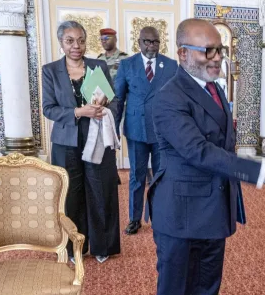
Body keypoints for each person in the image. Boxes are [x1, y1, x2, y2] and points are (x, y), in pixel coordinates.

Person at [148, 18, 265, 295]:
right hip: (179, 213)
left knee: (204, 293)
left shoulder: (215, 90)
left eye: (220, 50)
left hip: (212, 209)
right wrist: (257, 170)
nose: (217, 58)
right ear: (183, 54)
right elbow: (199, 151)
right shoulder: (166, 97)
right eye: (208, 51)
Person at [42, 20, 121, 264]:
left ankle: (102, 245)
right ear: (61, 43)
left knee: (100, 189)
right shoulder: (50, 70)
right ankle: (74, 246)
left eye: (81, 40)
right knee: (71, 195)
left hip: (98, 137)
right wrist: (79, 112)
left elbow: (114, 100)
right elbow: (48, 109)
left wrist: (105, 108)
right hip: (66, 142)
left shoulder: (98, 66)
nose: (76, 46)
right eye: (70, 41)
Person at [115, 26, 177, 235]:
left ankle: (159, 216)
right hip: (136, 130)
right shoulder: (127, 65)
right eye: (147, 41)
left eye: (155, 42)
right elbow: (118, 99)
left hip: (162, 131)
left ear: (160, 43)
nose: (151, 45)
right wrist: (113, 127)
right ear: (139, 42)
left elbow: (177, 99)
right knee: (137, 176)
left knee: (161, 176)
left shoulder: (170, 65)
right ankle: (134, 218)